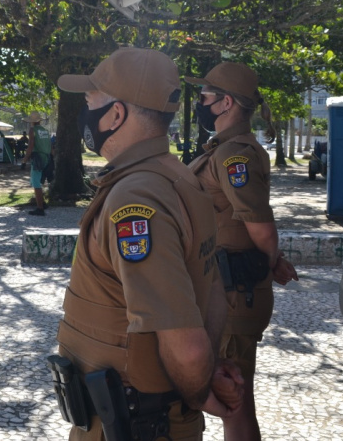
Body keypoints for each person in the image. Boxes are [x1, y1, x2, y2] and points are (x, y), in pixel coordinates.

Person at [52, 47, 243, 441]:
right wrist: (205, 374)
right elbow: (212, 291)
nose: (84, 114)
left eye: (90, 102)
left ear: (115, 115)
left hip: (132, 425)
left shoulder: (136, 198)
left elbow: (187, 345)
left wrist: (199, 392)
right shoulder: (180, 178)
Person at [186, 62, 299, 441]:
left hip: (234, 294)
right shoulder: (224, 149)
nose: (199, 103)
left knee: (234, 406)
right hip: (227, 289)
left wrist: (268, 263)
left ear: (226, 103)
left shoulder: (234, 155)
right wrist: (272, 261)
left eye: (204, 96)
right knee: (233, 403)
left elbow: (261, 228)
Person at [22, 111, 52, 216]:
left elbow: (31, 145)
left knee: (36, 183)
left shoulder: (32, 130)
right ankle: (43, 203)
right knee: (39, 181)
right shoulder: (45, 131)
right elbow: (50, 146)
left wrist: (25, 159)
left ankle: (40, 208)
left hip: (37, 158)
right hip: (46, 158)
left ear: (31, 122)